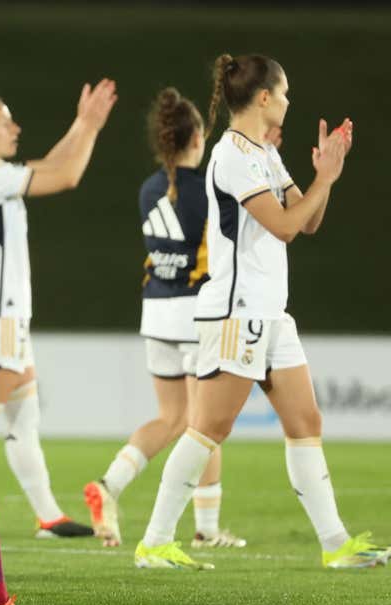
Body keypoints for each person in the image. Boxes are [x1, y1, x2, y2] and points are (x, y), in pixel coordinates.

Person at [134, 54, 385, 571]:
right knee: (209, 427)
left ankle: (335, 543)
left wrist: (326, 177)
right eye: (286, 92)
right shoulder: (231, 156)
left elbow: (308, 221)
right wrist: (324, 180)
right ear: (264, 97)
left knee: (305, 421)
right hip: (236, 312)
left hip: (271, 312)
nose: (290, 101)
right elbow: (286, 226)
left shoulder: (264, 154)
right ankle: (155, 541)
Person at [0, 79, 117, 537]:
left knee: (22, 414)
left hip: (6, 314)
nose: (15, 128)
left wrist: (82, 123)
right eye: (4, 121)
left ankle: (49, 516)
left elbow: (52, 164)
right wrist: (91, 127)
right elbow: (67, 174)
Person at [83, 87, 244, 550]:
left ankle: (109, 484)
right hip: (196, 313)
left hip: (155, 311)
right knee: (204, 425)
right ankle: (207, 530)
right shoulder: (209, 190)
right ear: (197, 139)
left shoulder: (149, 188)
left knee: (173, 417)